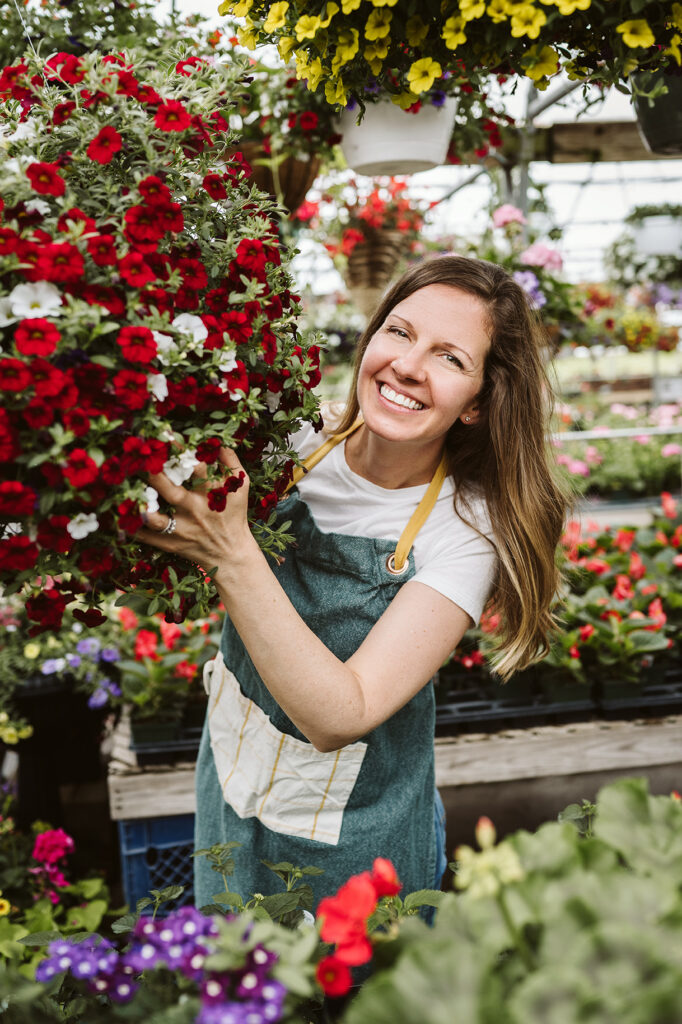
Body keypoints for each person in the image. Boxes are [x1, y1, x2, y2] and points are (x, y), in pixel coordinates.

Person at [137, 253, 570, 911]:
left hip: (354, 848)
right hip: (231, 789)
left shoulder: (464, 530)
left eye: (450, 358)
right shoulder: (294, 438)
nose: (408, 366)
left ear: (478, 403)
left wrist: (233, 556)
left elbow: (342, 714)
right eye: (399, 332)